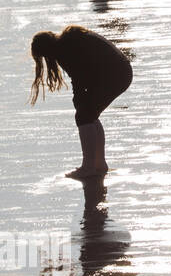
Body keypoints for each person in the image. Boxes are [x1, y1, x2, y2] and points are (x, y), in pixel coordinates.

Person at [29, 25, 133, 179]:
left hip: (115, 75)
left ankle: (89, 167)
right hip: (120, 70)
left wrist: (78, 101)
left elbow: (78, 79)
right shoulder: (68, 40)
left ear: (47, 50)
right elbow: (82, 75)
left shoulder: (64, 49)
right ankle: (98, 164)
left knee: (84, 116)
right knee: (89, 114)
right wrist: (80, 101)